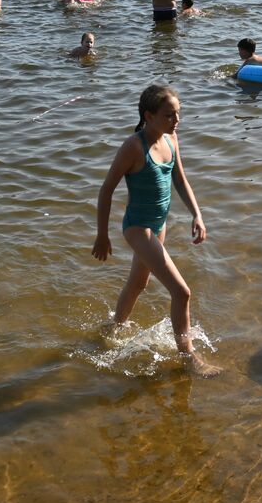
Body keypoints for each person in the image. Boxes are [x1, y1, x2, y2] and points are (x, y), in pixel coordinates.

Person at [91, 85, 219, 378]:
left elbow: (180, 180)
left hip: (157, 226)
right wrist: (102, 234)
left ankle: (110, 332)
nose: (176, 121)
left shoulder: (171, 139)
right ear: (148, 116)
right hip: (138, 228)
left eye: (178, 114)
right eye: (169, 115)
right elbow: (106, 190)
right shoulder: (133, 147)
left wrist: (197, 215)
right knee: (182, 292)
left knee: (138, 284)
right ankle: (189, 358)